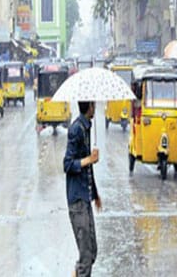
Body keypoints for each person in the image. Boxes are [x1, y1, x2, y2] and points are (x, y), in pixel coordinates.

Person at [63, 101, 102, 277]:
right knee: (86, 256)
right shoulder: (76, 129)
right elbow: (68, 164)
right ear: (90, 107)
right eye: (94, 105)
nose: (96, 108)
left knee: (92, 251)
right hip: (77, 200)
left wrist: (95, 194)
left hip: (85, 197)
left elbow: (88, 169)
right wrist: (89, 159)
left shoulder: (86, 128)